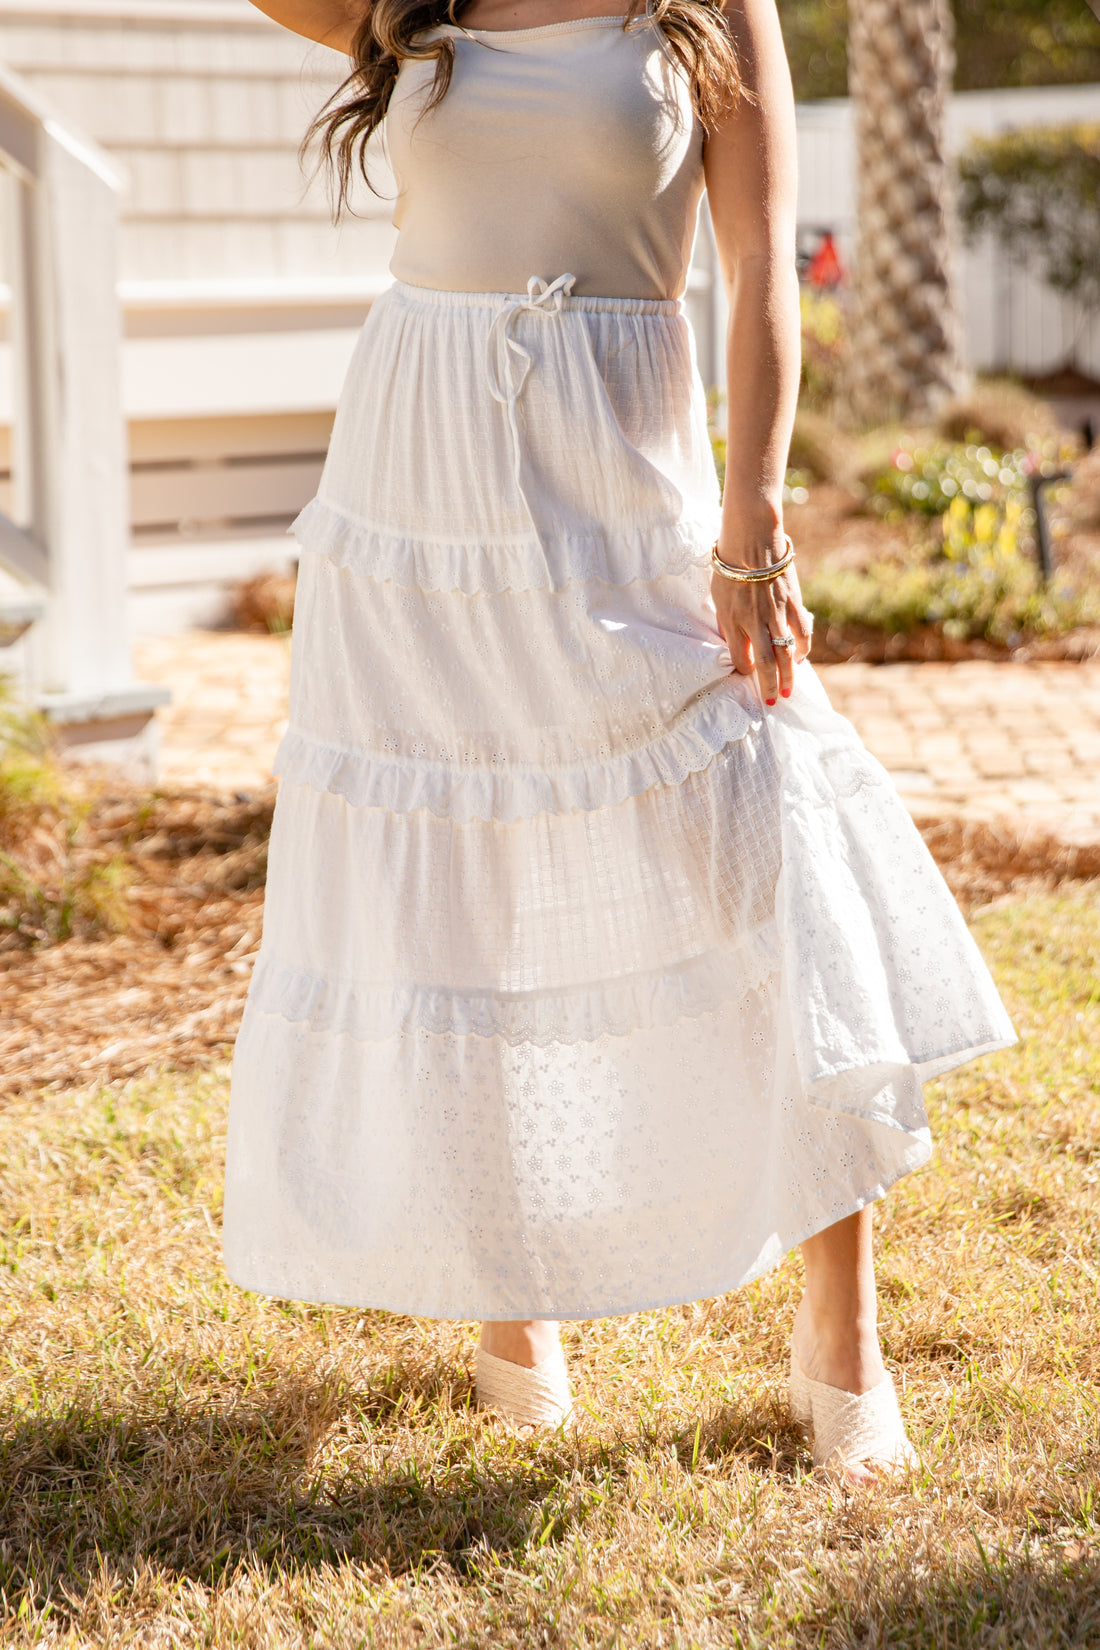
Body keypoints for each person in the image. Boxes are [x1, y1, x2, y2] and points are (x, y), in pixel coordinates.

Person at [223, 0, 1014, 1482]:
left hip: (622, 471)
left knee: (763, 831)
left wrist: (756, 517)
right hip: (419, 483)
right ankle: (513, 1299)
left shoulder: (707, 11)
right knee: (465, 874)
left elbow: (759, 273)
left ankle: (843, 1325)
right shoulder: (415, 0)